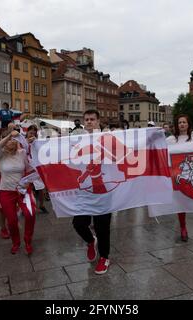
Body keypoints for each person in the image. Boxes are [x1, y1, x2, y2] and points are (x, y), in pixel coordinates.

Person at [72, 110, 112, 275]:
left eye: (92, 119)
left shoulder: (108, 138)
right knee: (78, 223)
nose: (89, 122)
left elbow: (131, 145)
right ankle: (90, 240)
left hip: (103, 189)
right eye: (86, 119)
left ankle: (104, 257)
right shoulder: (78, 139)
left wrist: (153, 137)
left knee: (102, 226)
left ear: (98, 121)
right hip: (86, 191)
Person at [0, 129, 36, 255]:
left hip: (23, 190)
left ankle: (28, 241)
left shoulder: (22, 153)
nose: (11, 141)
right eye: (7, 139)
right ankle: (16, 242)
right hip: (6, 191)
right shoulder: (0, 155)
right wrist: (9, 135)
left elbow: (31, 167)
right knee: (12, 221)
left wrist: (34, 144)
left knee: (30, 214)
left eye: (13, 139)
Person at [167, 115, 193, 242]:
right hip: (177, 176)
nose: (182, 124)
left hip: (192, 173)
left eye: (184, 122)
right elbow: (159, 150)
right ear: (177, 125)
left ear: (188, 124)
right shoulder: (171, 140)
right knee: (180, 202)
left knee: (189, 200)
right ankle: (183, 227)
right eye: (179, 122)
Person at [25, 125, 49, 214]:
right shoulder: (22, 141)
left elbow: (42, 152)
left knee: (41, 187)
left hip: (36, 167)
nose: (32, 134)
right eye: (30, 132)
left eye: (34, 133)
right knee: (27, 187)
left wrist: (35, 142)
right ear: (27, 132)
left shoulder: (37, 142)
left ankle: (42, 205)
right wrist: (27, 142)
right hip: (26, 167)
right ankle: (27, 205)